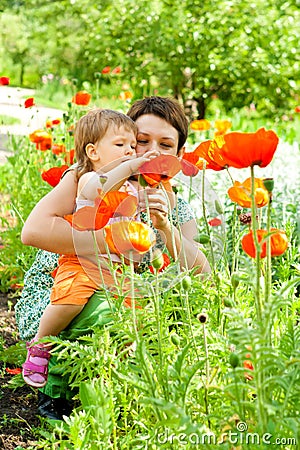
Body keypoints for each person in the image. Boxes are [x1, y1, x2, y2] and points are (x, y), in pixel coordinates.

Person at [16, 96, 211, 419]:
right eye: (140, 142)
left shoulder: (176, 204)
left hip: (122, 292)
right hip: (62, 294)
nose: (151, 152)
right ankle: (57, 393)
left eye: (165, 145)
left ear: (178, 156)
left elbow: (203, 273)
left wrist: (164, 226)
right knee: (110, 312)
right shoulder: (86, 178)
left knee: (155, 314)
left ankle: (117, 392)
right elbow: (32, 232)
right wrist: (111, 240)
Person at [21, 108, 159, 389]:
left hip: (116, 265)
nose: (130, 152)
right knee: (69, 300)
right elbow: (100, 187)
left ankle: (126, 368)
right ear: (93, 152)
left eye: (133, 146)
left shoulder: (130, 189)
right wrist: (132, 167)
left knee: (135, 311)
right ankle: (40, 343)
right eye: (120, 145)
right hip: (80, 260)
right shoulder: (87, 177)